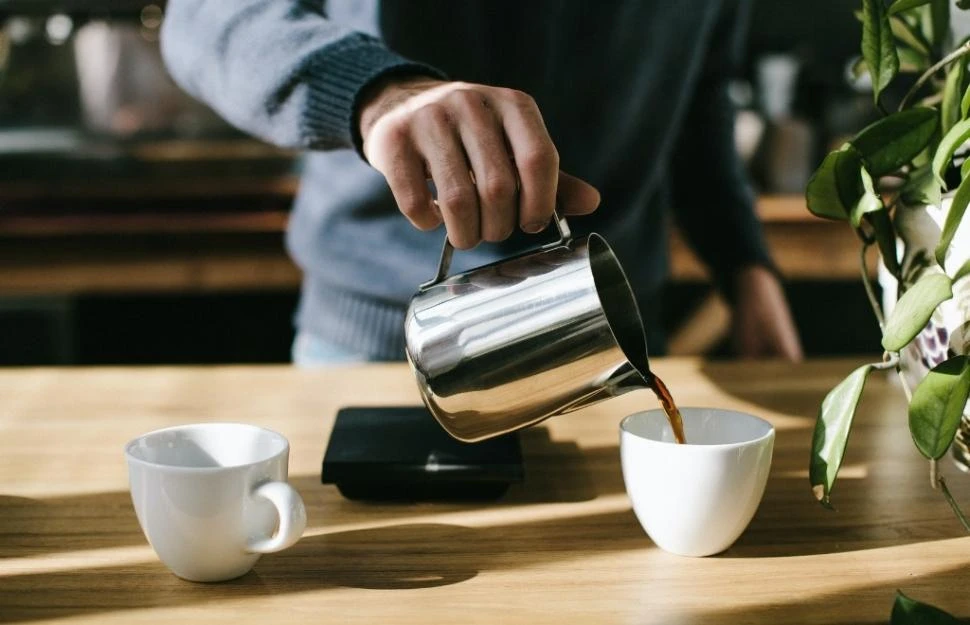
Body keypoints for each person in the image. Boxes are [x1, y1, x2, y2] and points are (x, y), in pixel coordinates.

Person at [160, 0, 803, 366]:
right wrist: (378, 93)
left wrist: (745, 268)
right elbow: (208, 18)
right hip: (384, 344)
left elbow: (697, 100)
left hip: (612, 333)